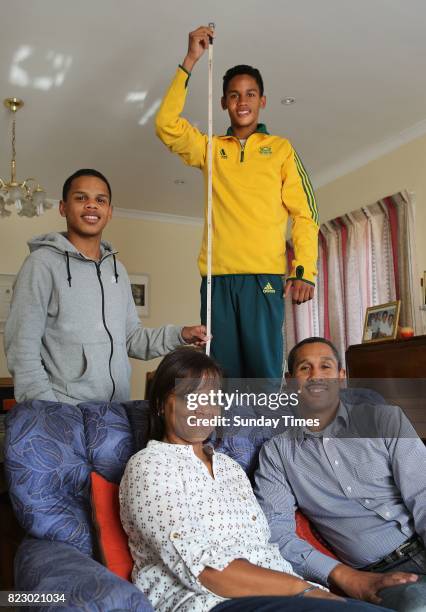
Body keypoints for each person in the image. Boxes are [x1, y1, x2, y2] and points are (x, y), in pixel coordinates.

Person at [119, 347, 391, 612]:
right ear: (159, 404)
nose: (203, 408)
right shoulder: (149, 466)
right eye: (190, 396)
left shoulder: (229, 467)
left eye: (212, 398)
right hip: (208, 601)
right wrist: (304, 590)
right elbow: (205, 570)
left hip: (282, 594)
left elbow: (267, 546)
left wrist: (310, 590)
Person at [155, 26, 319, 380]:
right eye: (233, 95)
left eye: (250, 94)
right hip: (217, 281)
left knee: (263, 375)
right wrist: (190, 60)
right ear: (223, 103)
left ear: (262, 100)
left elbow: (305, 213)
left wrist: (304, 269)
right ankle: (223, 438)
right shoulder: (211, 149)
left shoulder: (280, 149)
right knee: (219, 375)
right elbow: (166, 125)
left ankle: (267, 437)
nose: (242, 102)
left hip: (264, 279)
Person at [4, 168, 208, 405]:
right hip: (65, 411)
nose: (91, 205)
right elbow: (22, 347)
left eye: (100, 200)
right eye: (81, 198)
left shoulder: (117, 270)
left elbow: (131, 339)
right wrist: (48, 411)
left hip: (116, 410)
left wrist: (181, 334)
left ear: (110, 212)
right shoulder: (40, 265)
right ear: (63, 207)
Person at [255, 337, 426, 611]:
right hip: (381, 575)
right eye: (304, 369)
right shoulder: (277, 454)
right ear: (289, 382)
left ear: (341, 378)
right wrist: (347, 577)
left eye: (326, 367)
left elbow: (423, 492)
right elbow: (277, 534)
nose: (316, 377)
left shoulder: (384, 419)